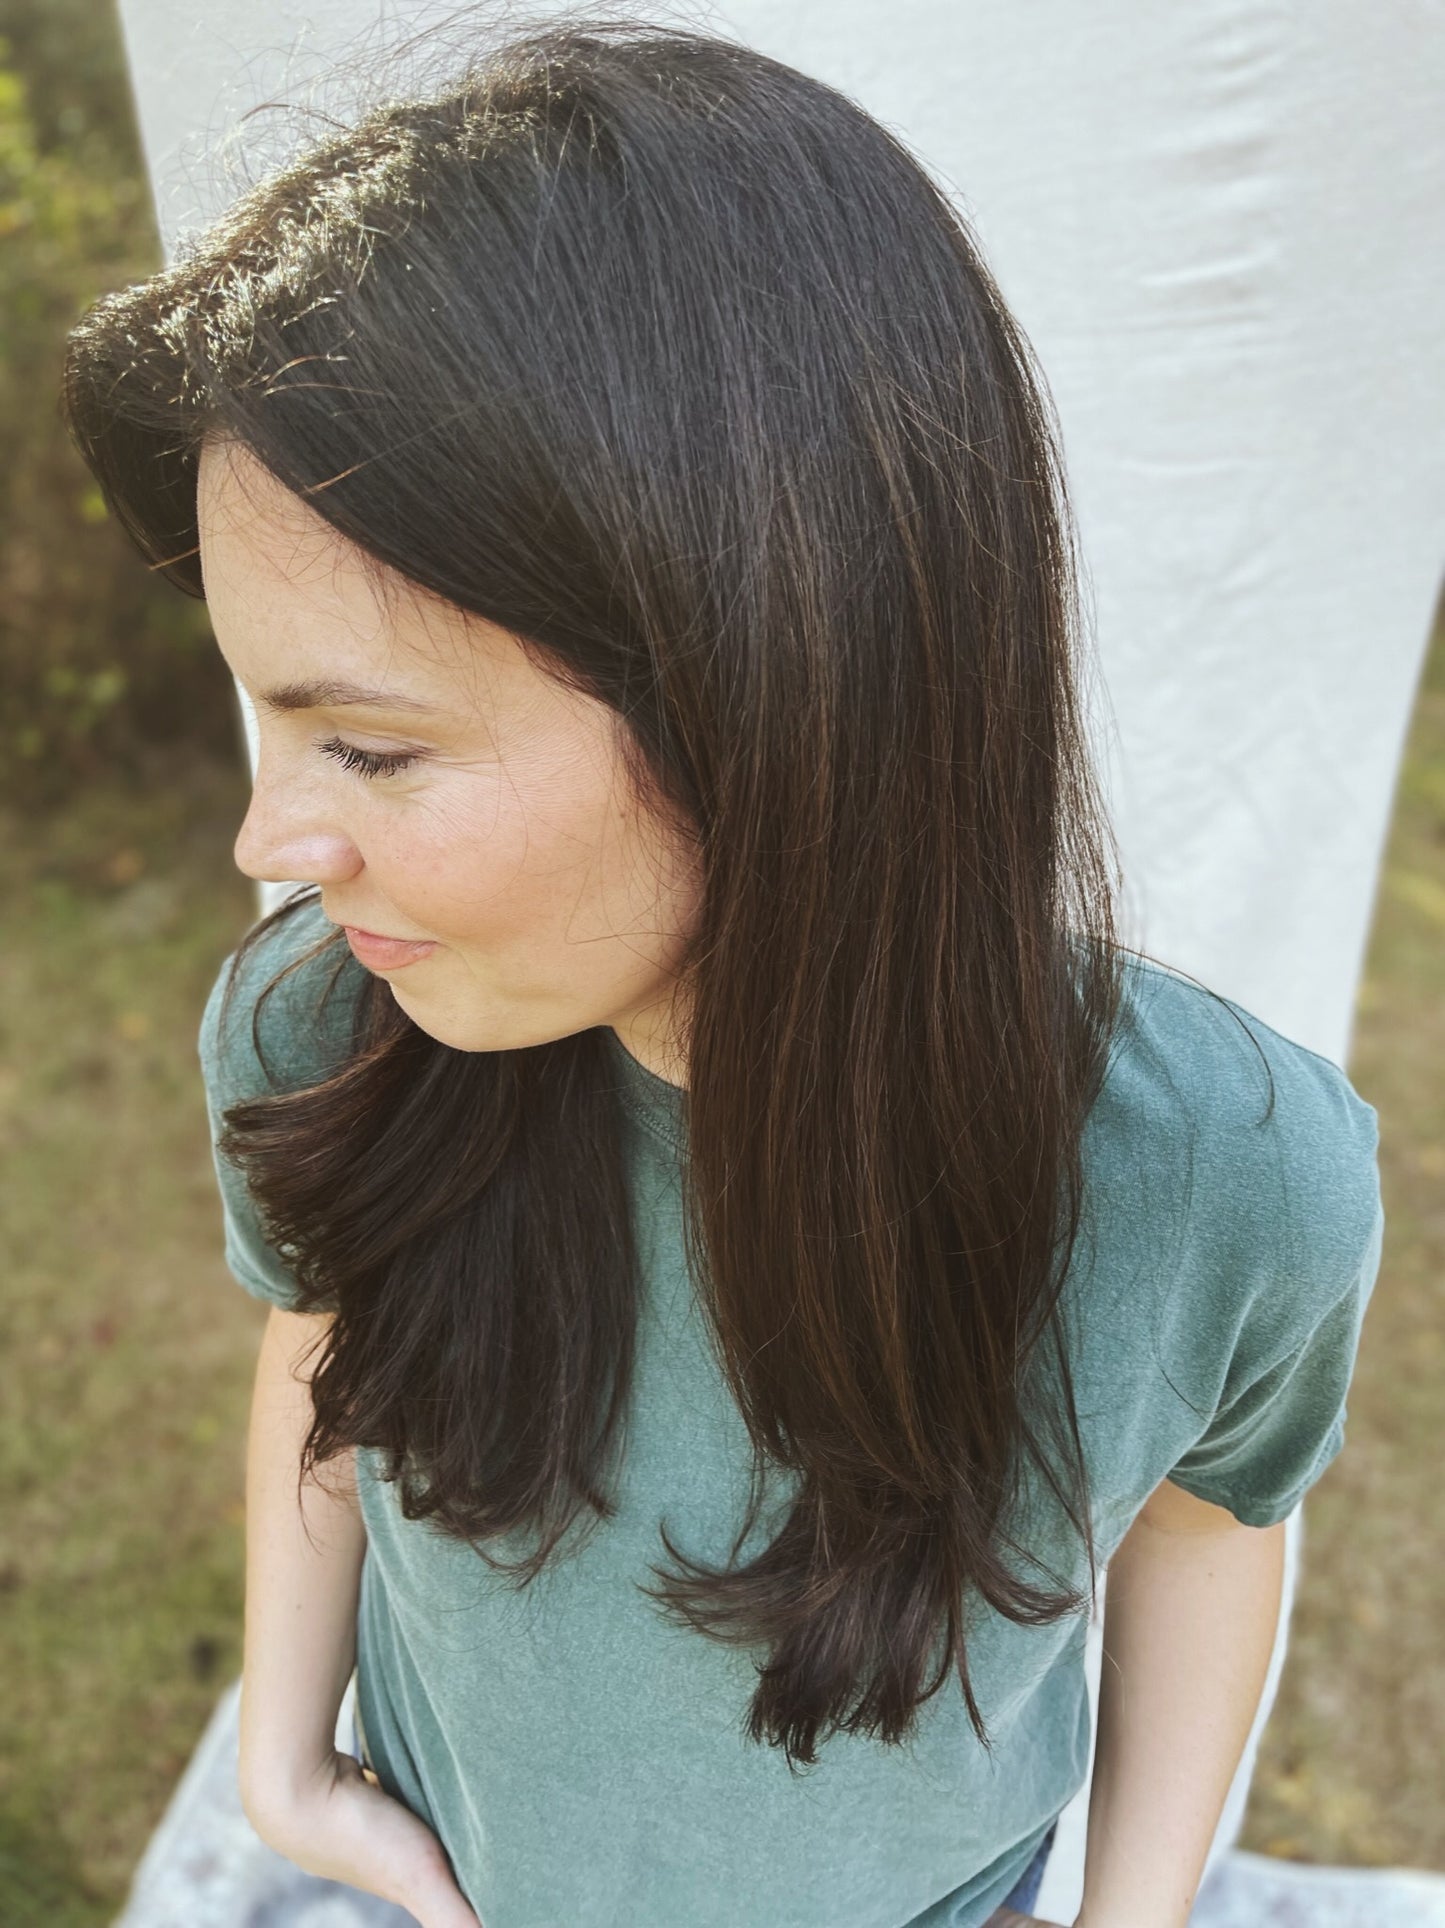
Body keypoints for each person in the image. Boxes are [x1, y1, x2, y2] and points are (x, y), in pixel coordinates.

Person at [59, 14, 1385, 1927]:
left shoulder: (1227, 1179)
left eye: (372, 746)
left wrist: (1131, 1914)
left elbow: (1209, 1521)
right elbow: (329, 1338)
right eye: (266, 725)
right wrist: (290, 1761)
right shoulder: (327, 1023)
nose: (272, 846)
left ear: (777, 691)